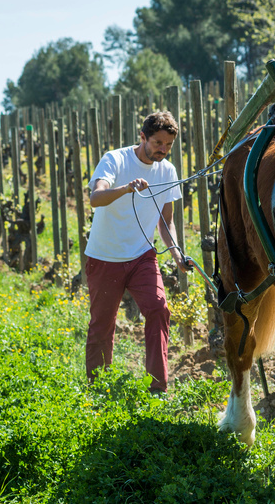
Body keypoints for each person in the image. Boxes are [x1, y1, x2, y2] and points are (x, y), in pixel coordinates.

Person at [84, 111, 191, 393]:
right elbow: (95, 198)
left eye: (168, 145)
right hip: (105, 256)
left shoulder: (167, 171)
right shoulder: (115, 160)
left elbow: (165, 221)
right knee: (102, 326)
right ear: (142, 137)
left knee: (158, 310)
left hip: (142, 256)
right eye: (158, 143)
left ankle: (157, 388)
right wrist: (126, 188)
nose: (163, 150)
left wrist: (177, 253)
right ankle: (98, 388)